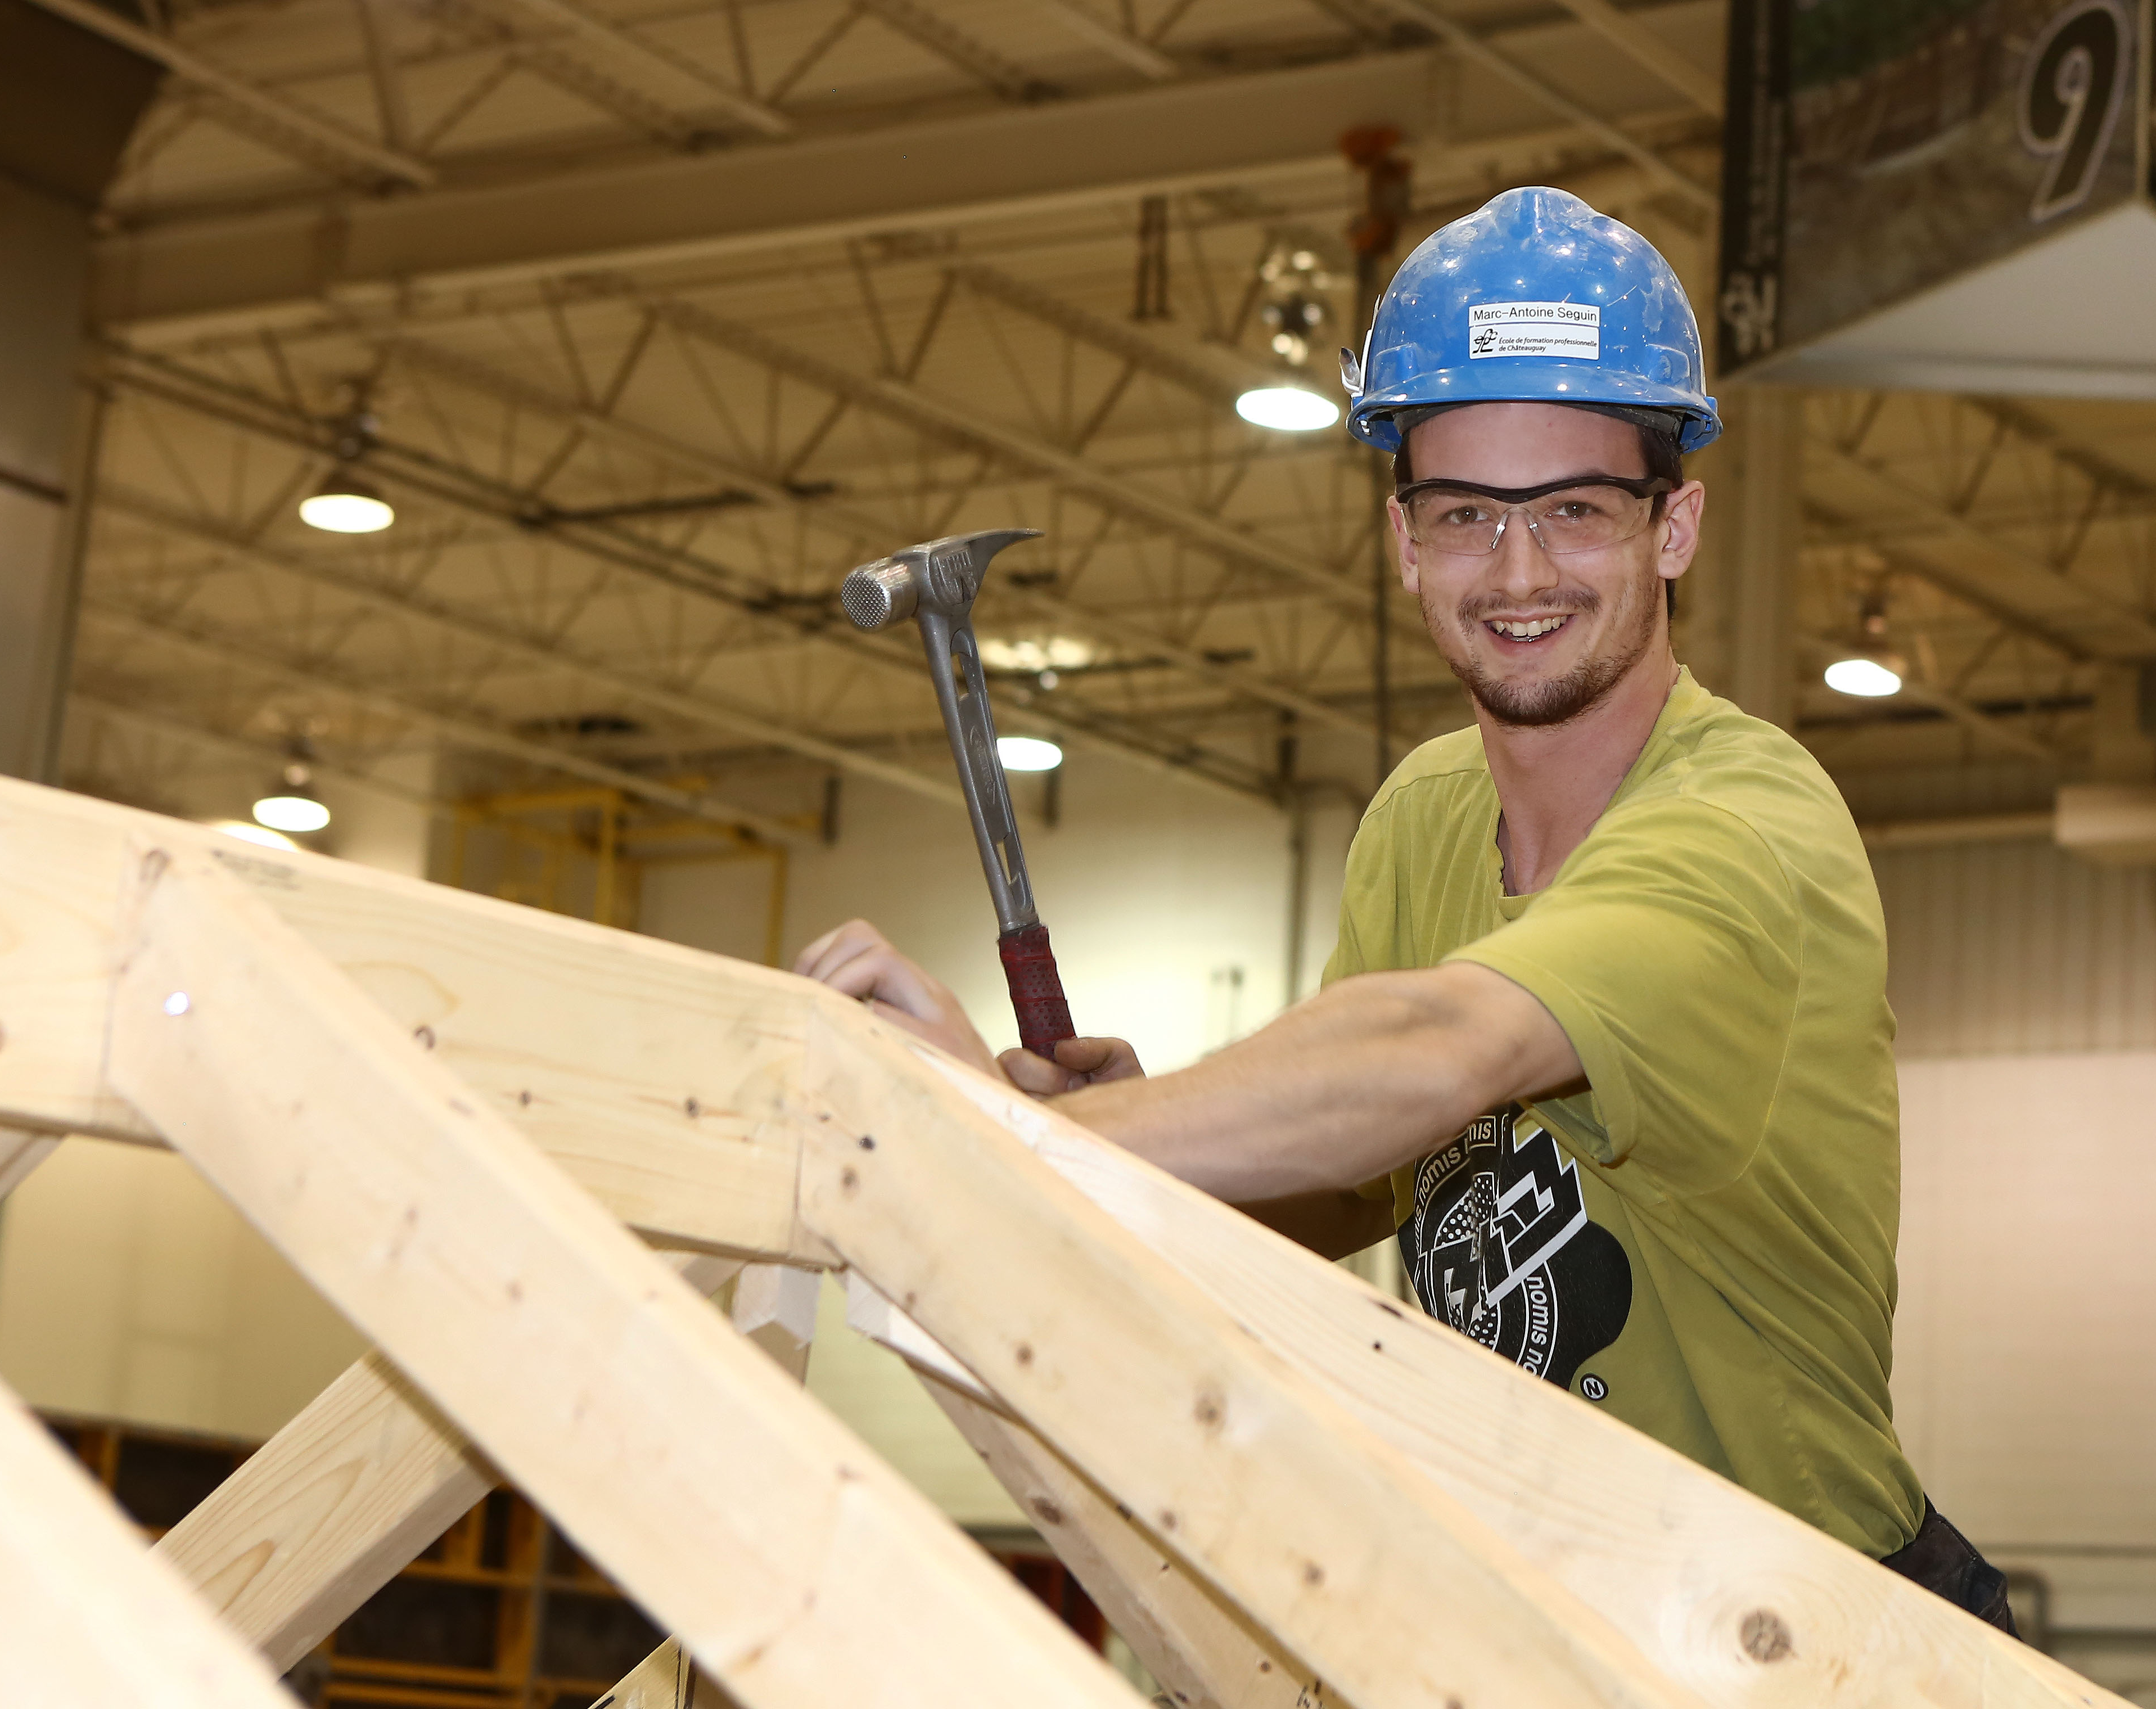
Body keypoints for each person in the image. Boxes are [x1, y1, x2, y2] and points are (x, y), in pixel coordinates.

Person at [793, 186, 2015, 1635]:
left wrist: (1002, 1137)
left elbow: (1437, 1052)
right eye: (1465, 516)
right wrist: (1142, 1140)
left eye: (1574, 511)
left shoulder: (1748, 824)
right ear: (1404, 540)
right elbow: (1356, 1177)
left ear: (1673, 526)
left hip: (1801, 1636)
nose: (1516, 574)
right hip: (1520, 1616)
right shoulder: (1425, 817)